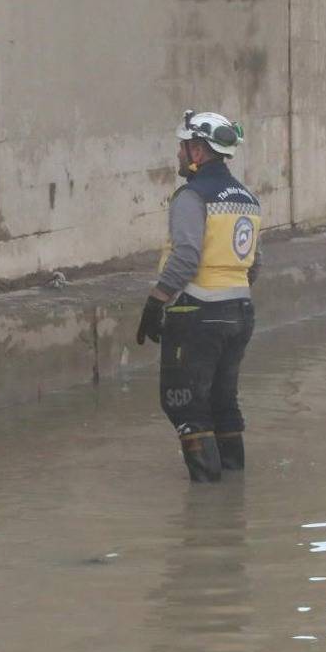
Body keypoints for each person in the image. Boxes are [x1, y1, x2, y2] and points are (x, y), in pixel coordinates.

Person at [135, 111, 261, 483]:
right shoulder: (247, 199)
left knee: (185, 405)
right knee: (223, 404)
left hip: (197, 312)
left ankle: (207, 500)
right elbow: (254, 263)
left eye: (183, 146)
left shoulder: (192, 196)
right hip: (240, 313)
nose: (178, 153)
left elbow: (186, 257)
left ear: (198, 151)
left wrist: (156, 301)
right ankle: (233, 494)